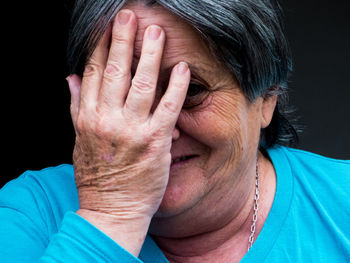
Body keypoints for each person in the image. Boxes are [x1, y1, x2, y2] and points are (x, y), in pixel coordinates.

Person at [1, 0, 349, 262]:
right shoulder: (31, 212)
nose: (152, 129)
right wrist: (111, 216)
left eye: (190, 91)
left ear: (266, 98)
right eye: (124, 90)